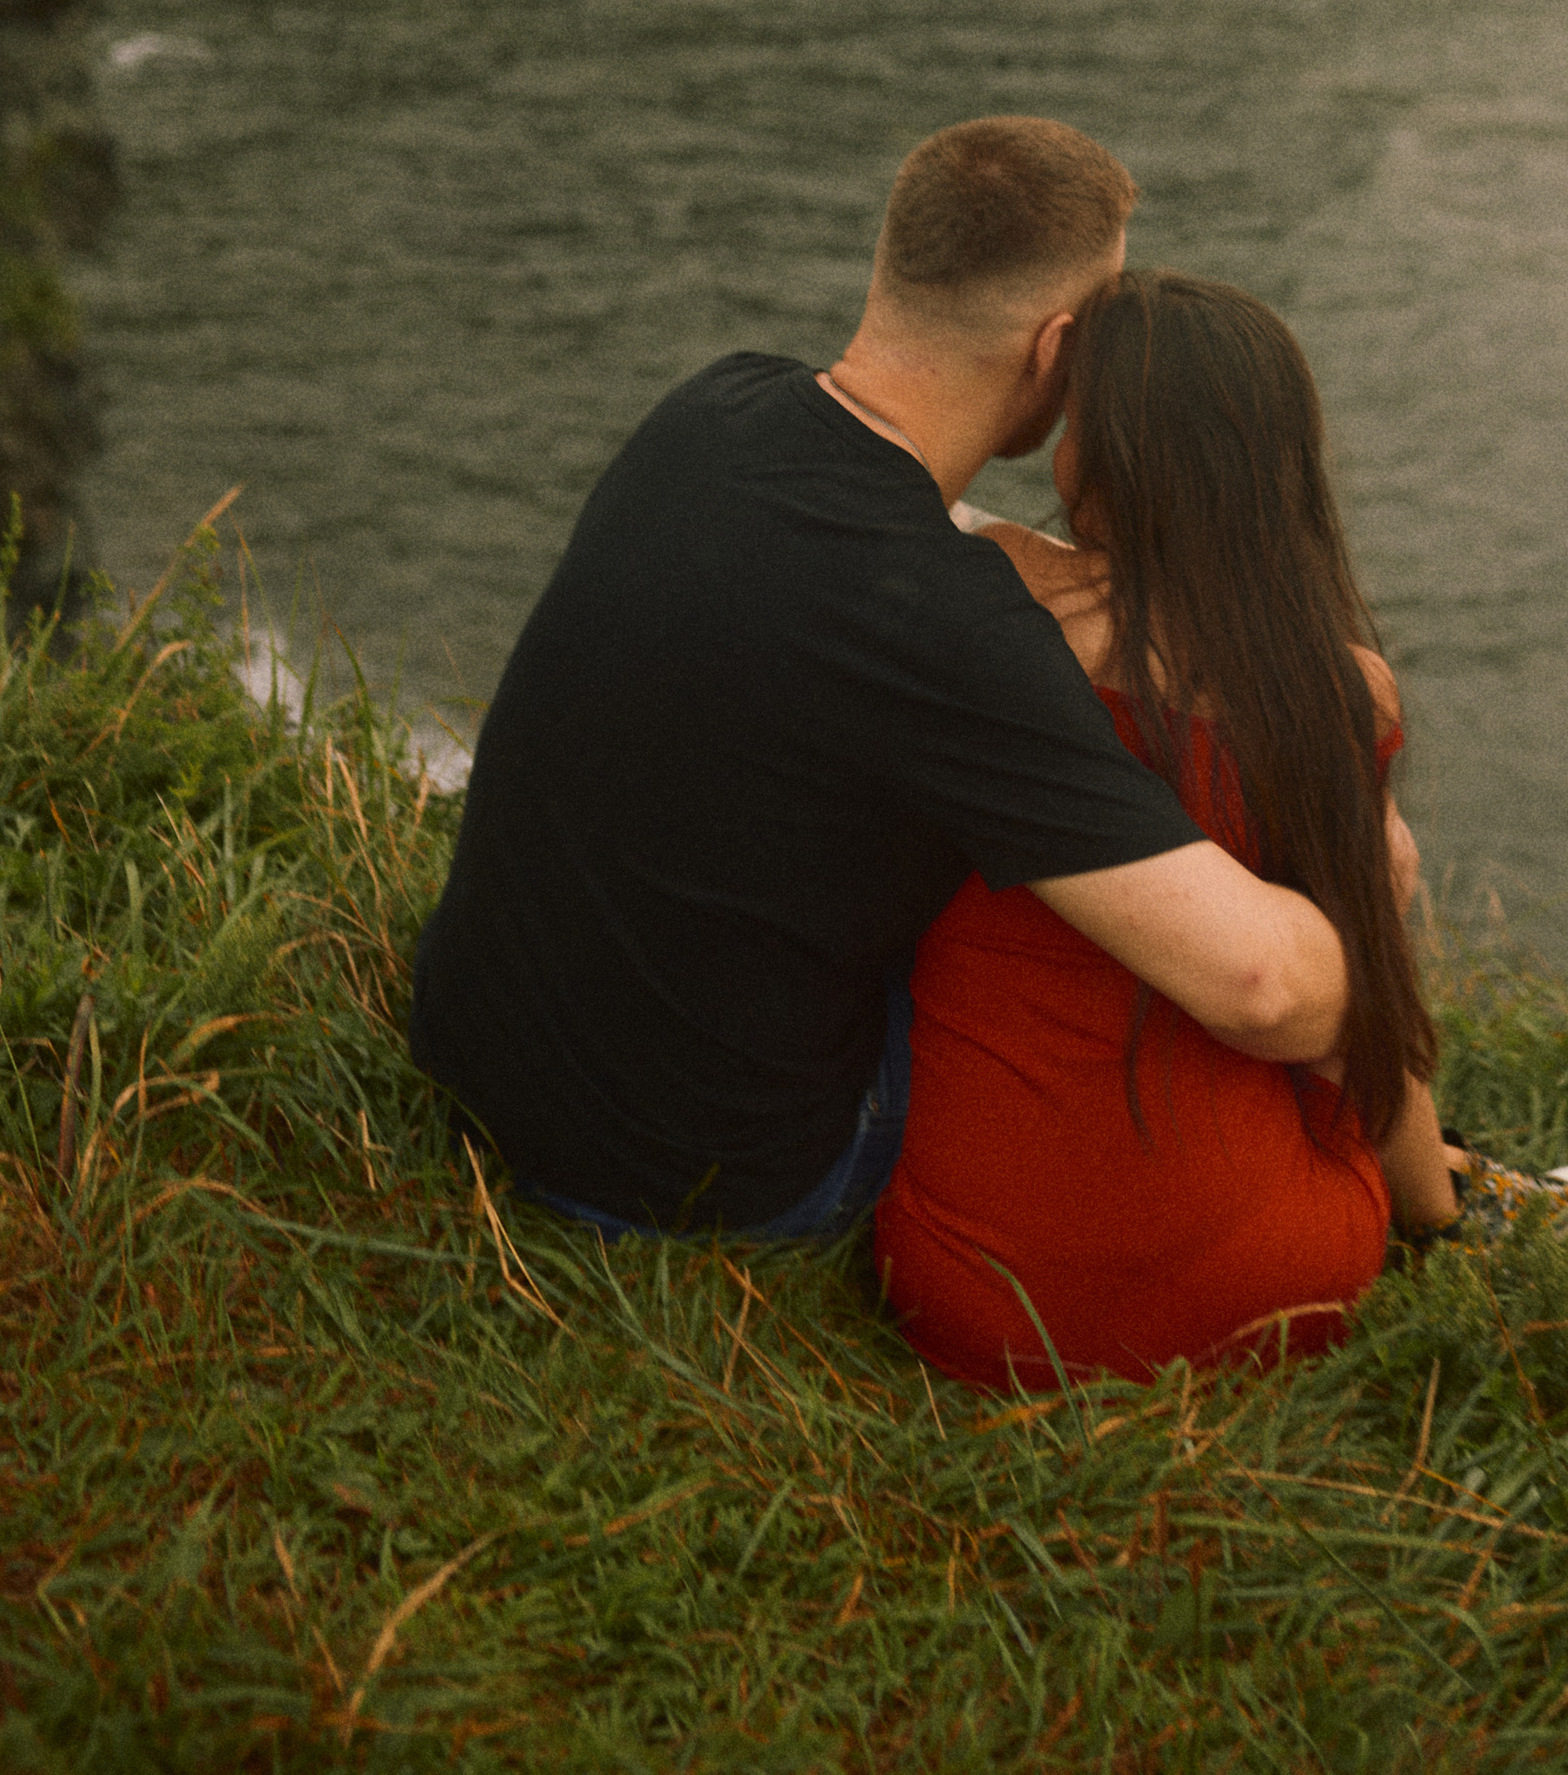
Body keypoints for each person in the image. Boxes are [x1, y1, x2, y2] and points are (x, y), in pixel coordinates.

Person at [408, 118, 1350, 1237]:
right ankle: (1416, 1180)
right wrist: (1367, 945)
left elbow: (898, 535)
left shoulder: (715, 409)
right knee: (1083, 963)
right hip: (693, 1177)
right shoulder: (952, 633)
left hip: (474, 1065)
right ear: (1055, 351)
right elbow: (1261, 990)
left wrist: (1059, 572)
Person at [873, 268, 1462, 1387]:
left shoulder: (994, 604)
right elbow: (1352, 1026)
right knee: (1372, 889)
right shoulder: (1336, 693)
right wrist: (1429, 1218)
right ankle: (1452, 1189)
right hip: (1270, 1291)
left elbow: (923, 498)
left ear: (1100, 460)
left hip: (961, 1289)